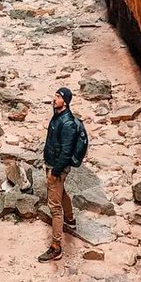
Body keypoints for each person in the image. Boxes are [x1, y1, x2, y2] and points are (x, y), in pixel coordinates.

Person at [38, 86, 79, 262]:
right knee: (61, 193)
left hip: (57, 167)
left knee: (54, 208)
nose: (54, 99)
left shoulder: (67, 123)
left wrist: (54, 171)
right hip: (52, 163)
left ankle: (56, 247)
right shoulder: (58, 116)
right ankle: (70, 219)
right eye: (54, 95)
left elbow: (67, 151)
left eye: (58, 96)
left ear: (65, 101)